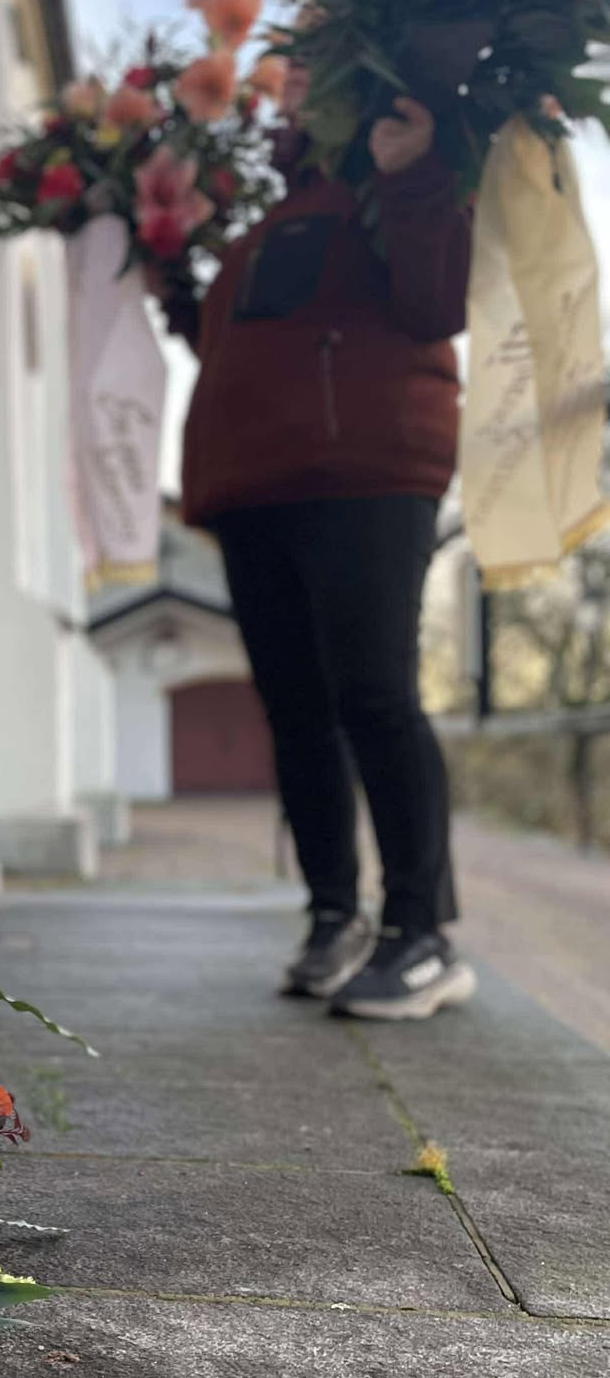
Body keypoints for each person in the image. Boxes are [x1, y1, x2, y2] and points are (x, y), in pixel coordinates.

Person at [167, 71, 475, 1021]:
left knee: (375, 695)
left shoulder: (392, 176)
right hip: (258, 485)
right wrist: (174, 282)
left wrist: (414, 172)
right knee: (298, 712)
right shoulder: (274, 222)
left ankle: (421, 935)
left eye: (302, 78)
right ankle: (335, 914)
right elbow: (251, 348)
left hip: (367, 470)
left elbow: (439, 300)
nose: (287, 94)